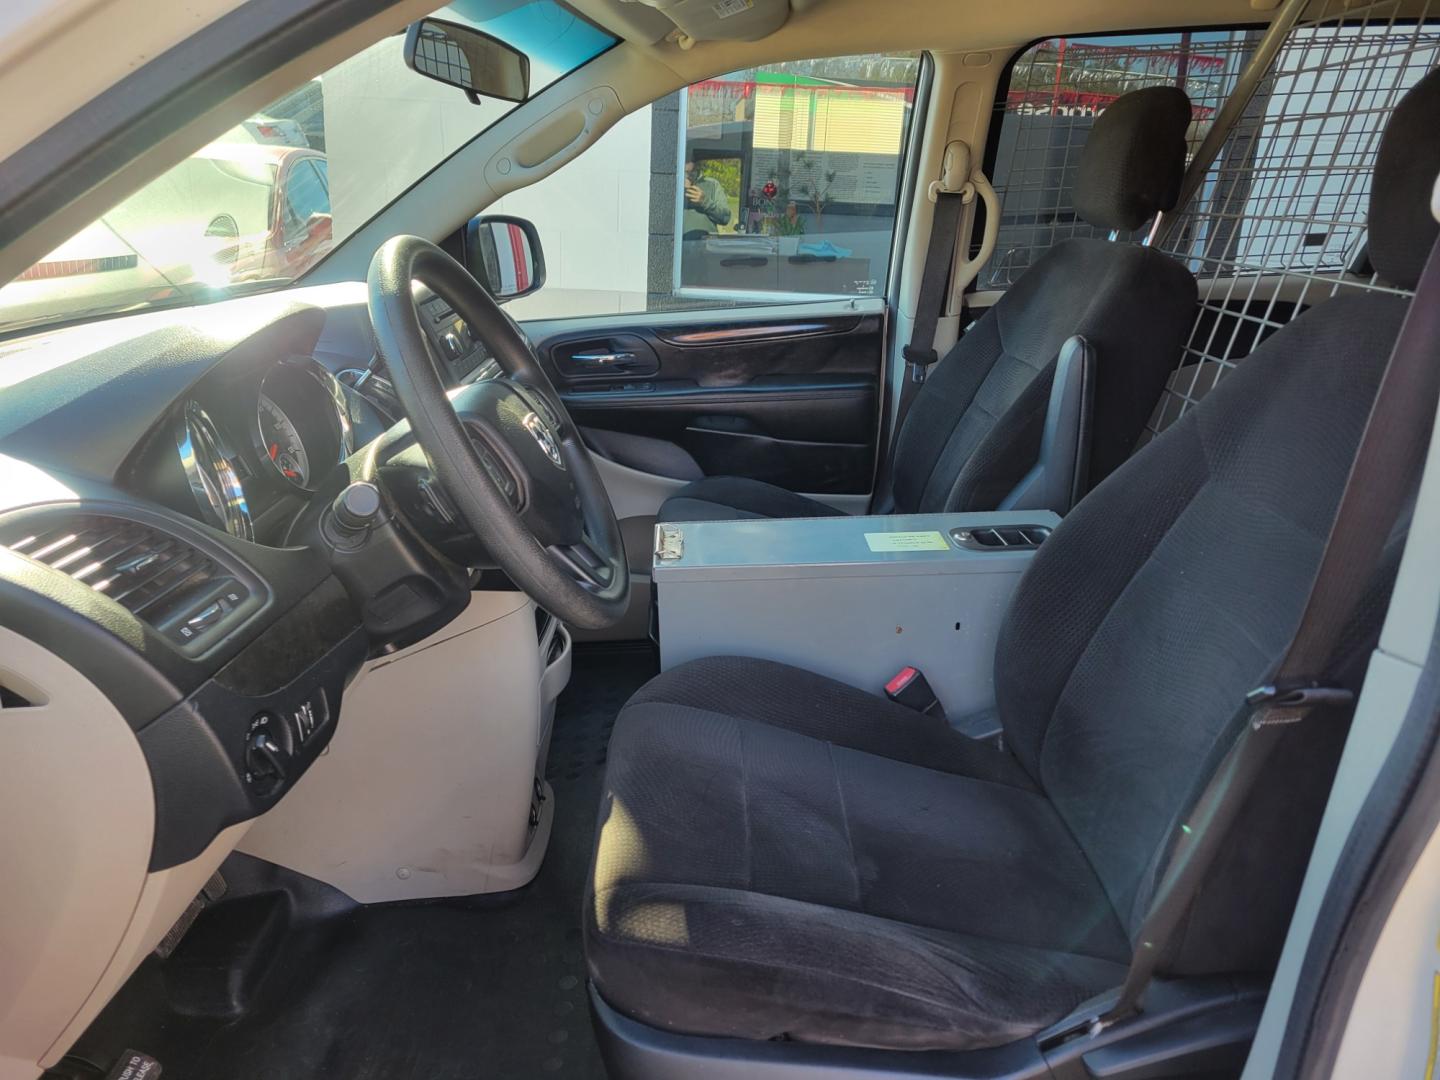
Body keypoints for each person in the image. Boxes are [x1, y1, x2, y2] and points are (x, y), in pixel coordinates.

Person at [681, 154, 731, 240]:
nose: (688, 176)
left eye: (691, 172)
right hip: (678, 247)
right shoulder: (671, 183)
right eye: (685, 172)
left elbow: (725, 218)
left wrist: (704, 201)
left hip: (707, 246)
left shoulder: (712, 185)